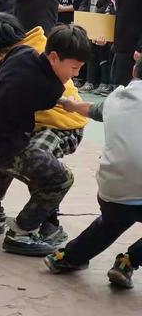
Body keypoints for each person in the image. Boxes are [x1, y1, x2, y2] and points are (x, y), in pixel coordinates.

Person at [0, 14, 88, 246]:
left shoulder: (19, 53)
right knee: (58, 178)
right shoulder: (50, 87)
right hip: (3, 143)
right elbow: (48, 102)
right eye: (74, 68)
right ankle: (23, 231)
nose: (75, 74)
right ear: (54, 56)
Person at [45, 58, 142, 289]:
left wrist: (70, 105)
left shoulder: (116, 99)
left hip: (111, 191)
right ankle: (129, 262)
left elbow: (90, 109)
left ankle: (67, 258)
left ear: (133, 70)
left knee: (112, 221)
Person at [78, 0, 117, 96]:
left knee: (104, 54)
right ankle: (89, 81)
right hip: (89, 22)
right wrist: (83, 17)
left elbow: (107, 6)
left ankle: (104, 83)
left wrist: (98, 20)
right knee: (90, 53)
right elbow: (84, 4)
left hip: (103, 23)